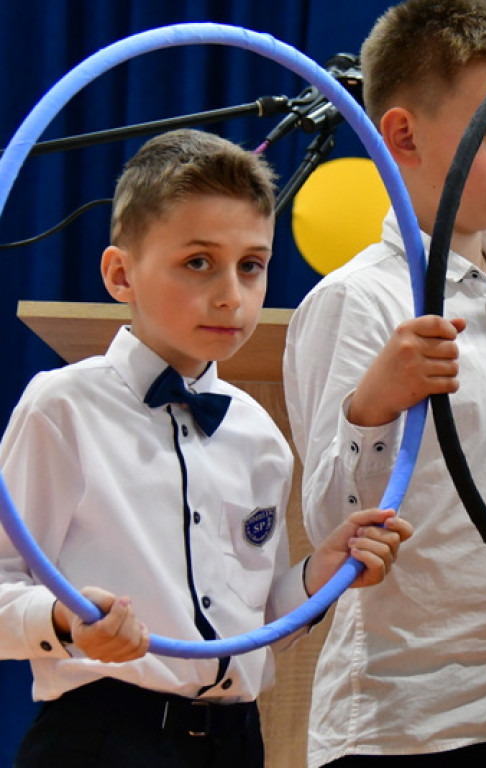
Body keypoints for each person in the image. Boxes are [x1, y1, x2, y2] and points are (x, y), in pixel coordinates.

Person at [0, 129, 412, 768]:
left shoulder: (259, 435)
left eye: (251, 266)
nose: (230, 296)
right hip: (101, 738)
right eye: (198, 263)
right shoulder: (63, 408)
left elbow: (254, 617)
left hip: (235, 742)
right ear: (120, 274)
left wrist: (319, 574)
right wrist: (61, 618)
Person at [283, 1, 486, 765]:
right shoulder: (359, 301)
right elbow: (335, 530)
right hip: (410, 728)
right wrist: (374, 406)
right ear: (402, 136)